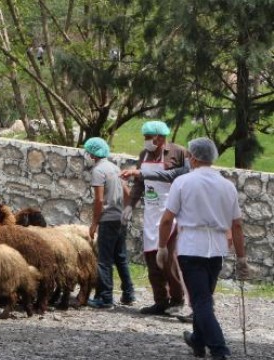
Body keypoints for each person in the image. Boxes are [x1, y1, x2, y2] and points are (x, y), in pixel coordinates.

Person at [156, 137, 251, 360]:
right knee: (203, 297)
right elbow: (236, 225)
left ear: (195, 158)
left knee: (201, 302)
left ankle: (220, 350)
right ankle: (198, 340)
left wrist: (162, 247)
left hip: (191, 247)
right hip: (217, 249)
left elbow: (167, 219)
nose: (188, 158)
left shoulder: (183, 182)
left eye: (189, 155)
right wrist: (241, 258)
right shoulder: (228, 186)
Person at [122, 120, 187, 315]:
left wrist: (139, 172)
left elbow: (179, 177)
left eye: (148, 137)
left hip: (171, 211)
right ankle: (160, 300)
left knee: (168, 258)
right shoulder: (144, 155)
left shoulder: (178, 152)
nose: (146, 141)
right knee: (151, 258)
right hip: (151, 211)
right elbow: (140, 183)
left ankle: (177, 299)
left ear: (159, 137)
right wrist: (130, 205)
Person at [83, 137, 135, 309]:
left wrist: (94, 223)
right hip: (120, 218)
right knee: (121, 258)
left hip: (108, 219)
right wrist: (126, 210)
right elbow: (127, 193)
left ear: (92, 154)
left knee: (104, 260)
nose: (87, 155)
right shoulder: (114, 167)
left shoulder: (99, 171)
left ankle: (105, 298)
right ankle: (128, 294)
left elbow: (98, 200)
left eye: (88, 152)